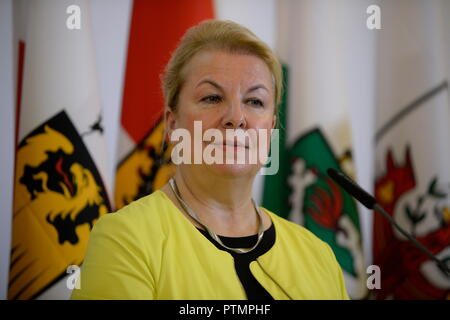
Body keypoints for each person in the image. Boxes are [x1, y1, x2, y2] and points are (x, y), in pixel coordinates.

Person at [71, 20, 349, 300]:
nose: (236, 118)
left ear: (271, 129)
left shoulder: (318, 255)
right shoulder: (124, 240)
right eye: (212, 98)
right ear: (172, 124)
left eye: (255, 102)